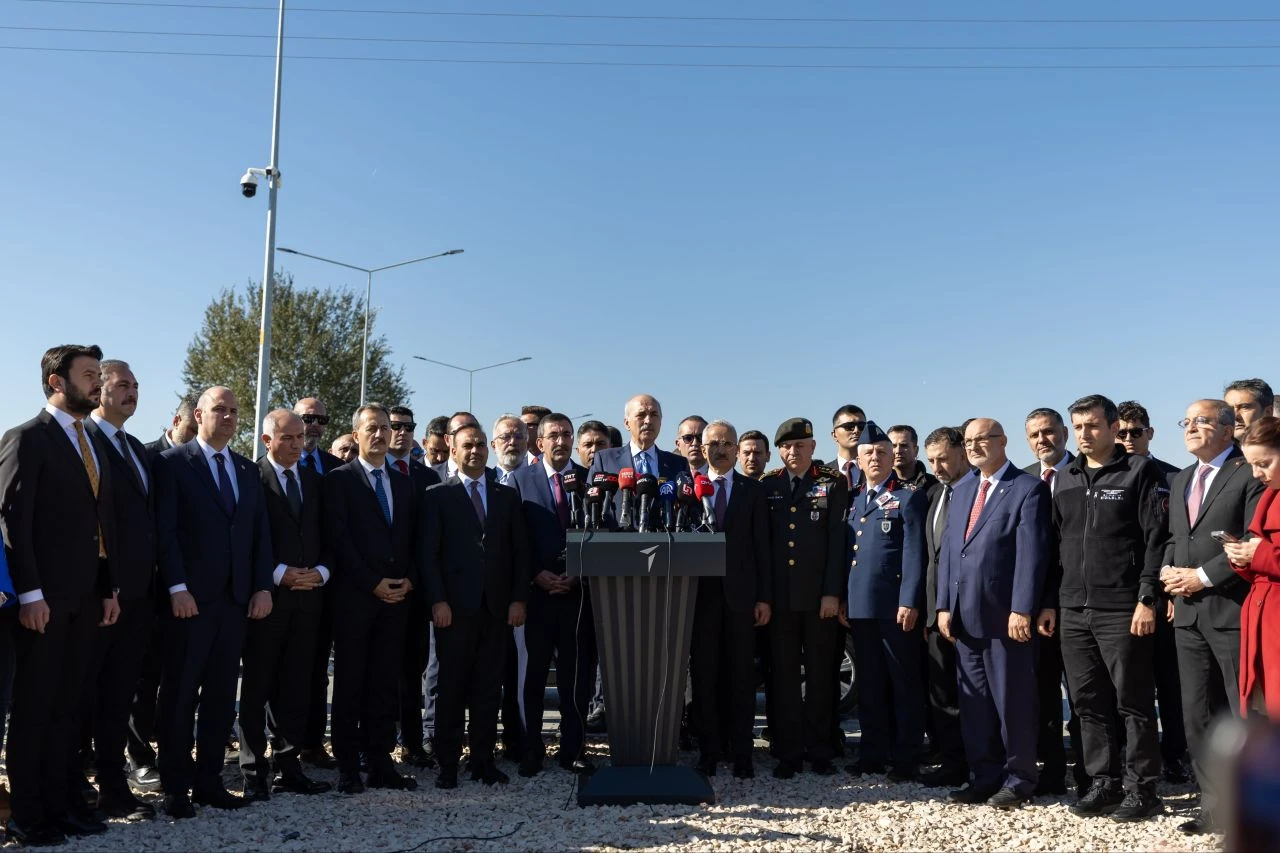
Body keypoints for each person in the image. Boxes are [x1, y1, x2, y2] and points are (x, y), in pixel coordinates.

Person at [0, 344, 119, 845]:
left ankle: (62, 806)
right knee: (35, 709)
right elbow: (12, 521)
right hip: (42, 603)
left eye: (98, 374)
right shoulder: (26, 439)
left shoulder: (89, 441)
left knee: (70, 708)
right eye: (89, 375)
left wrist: (109, 587)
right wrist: (29, 593)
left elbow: (101, 523)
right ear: (56, 382)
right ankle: (28, 817)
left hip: (87, 600)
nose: (98, 384)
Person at [153, 386, 274, 818]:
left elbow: (259, 534)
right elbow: (164, 534)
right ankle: (175, 786)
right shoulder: (171, 464)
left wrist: (262, 586)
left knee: (223, 697)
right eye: (219, 409)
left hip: (236, 601)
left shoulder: (245, 469)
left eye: (234, 411)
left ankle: (209, 783)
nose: (227, 416)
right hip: (190, 601)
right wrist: (176, 587)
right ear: (198, 414)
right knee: (180, 695)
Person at [1054, 394, 1169, 822]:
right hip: (1073, 608)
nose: (1084, 434)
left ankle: (1144, 789)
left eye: (1092, 426)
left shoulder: (1141, 471)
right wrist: (1053, 603)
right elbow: (1056, 546)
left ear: (1112, 427)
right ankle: (1104, 782)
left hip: (1122, 607)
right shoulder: (1065, 477)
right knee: (1087, 701)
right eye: (1078, 426)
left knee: (1133, 701)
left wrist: (1146, 598)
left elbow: (1156, 541)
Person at [1160, 399, 1262, 835]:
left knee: (1243, 716)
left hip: (1232, 610)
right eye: (1186, 422)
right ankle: (1214, 806)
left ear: (1227, 429)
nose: (1190, 428)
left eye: (1201, 421)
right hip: (1187, 615)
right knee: (1196, 713)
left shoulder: (1247, 474)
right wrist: (1167, 572)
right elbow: (1175, 537)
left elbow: (1253, 539)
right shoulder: (1181, 478)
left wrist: (1202, 577)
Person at [936, 418, 1050, 809]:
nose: (973, 446)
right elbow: (952, 552)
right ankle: (984, 776)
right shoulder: (964, 488)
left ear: (1003, 441)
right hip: (964, 618)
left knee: (1012, 702)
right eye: (968, 441)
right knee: (976, 705)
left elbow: (1032, 556)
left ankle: (1019, 779)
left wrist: (1022, 608)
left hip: (1006, 619)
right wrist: (943, 606)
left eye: (982, 439)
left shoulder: (1027, 489)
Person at [420, 424, 531, 789]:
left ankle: (483, 761)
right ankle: (448, 764)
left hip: (496, 609)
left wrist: (517, 599)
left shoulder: (506, 496)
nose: (476, 451)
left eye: (482, 445)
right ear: (452, 450)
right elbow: (429, 557)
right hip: (453, 609)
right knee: (451, 690)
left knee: (488, 690)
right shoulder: (437, 495)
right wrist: (437, 600)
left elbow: (519, 553)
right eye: (468, 445)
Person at [323, 403, 419, 794]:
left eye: (385, 427)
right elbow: (339, 541)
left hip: (397, 600)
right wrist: (372, 582)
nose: (380, 434)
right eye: (371, 429)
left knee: (384, 685)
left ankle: (381, 763)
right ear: (357, 435)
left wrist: (409, 579)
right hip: (356, 601)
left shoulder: (404, 482)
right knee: (350, 685)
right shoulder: (338, 481)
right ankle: (348, 766)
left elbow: (415, 537)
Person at [237, 410, 332, 801]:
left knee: (295, 687)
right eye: (287, 438)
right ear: (266, 440)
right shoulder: (250, 477)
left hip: (309, 599)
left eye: (299, 437)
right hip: (267, 600)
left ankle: (289, 767)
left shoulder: (313, 479)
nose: (296, 444)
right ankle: (252, 770)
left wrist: (322, 571)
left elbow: (327, 533)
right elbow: (246, 540)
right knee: (258, 688)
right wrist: (278, 574)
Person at [83, 359, 157, 821]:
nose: (132, 391)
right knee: (83, 697)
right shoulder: (83, 442)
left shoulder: (133, 446)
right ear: (98, 391)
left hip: (139, 595)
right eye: (122, 384)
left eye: (136, 385)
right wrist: (102, 584)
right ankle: (77, 787)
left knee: (119, 697)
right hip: (97, 596)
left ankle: (113, 788)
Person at [761, 417, 849, 779]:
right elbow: (763, 549)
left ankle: (821, 750)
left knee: (821, 677)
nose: (793, 452)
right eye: (786, 446)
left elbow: (838, 541)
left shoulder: (832, 483)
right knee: (782, 677)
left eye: (800, 445)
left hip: (818, 601)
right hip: (780, 601)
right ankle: (787, 751)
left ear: (813, 448)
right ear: (779, 451)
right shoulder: (769, 485)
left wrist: (832, 592)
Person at [840, 422, 928, 782]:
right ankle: (872, 753)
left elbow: (913, 553)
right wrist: (845, 600)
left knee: (903, 683)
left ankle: (906, 756)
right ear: (857, 459)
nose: (874, 457)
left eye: (881, 452)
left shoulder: (908, 497)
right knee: (871, 686)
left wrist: (910, 600)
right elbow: (850, 555)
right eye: (868, 453)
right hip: (861, 609)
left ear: (893, 457)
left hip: (895, 608)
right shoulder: (854, 500)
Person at [511, 414, 595, 777]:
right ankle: (531, 748)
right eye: (553, 436)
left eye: (566, 435)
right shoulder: (519, 480)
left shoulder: (590, 480)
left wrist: (580, 572)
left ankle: (573, 749)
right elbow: (513, 539)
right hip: (537, 596)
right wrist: (534, 575)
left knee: (576, 680)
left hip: (578, 596)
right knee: (531, 678)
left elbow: (602, 529)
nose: (560, 441)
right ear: (538, 442)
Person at [690, 420, 771, 779]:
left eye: (726, 443)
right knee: (704, 677)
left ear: (737, 449)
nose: (719, 449)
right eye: (712, 443)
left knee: (741, 677)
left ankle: (742, 752)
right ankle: (708, 751)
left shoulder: (753, 491)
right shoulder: (686, 487)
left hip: (741, 598)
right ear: (701, 448)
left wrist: (764, 598)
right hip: (699, 598)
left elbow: (762, 548)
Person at [1115, 400, 1187, 783]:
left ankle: (1174, 753)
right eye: (1121, 432)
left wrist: (1170, 591)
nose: (1128, 439)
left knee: (1169, 680)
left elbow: (1176, 539)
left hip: (1162, 594)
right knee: (1125, 683)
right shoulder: (1106, 477)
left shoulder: (1174, 478)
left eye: (1135, 432)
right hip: (1116, 596)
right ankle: (1128, 754)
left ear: (1150, 433)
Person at [1021, 406, 1081, 797]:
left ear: (1064, 432)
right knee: (1042, 696)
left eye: (1049, 432)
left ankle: (1092, 774)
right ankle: (1052, 771)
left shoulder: (1084, 474)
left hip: (1078, 601)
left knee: (1083, 697)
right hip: (1033, 605)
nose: (1043, 440)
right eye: (1035, 435)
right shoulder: (1023, 481)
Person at [918, 426, 971, 789]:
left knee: (977, 695)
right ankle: (953, 763)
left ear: (963, 454)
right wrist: (930, 610)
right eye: (932, 459)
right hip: (938, 613)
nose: (936, 466)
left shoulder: (980, 492)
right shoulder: (936, 494)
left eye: (943, 459)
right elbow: (931, 558)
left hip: (971, 610)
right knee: (943, 693)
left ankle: (982, 761)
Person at [1223, 415, 1280, 718]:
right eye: (1252, 466)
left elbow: (1267, 555)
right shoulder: (1270, 495)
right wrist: (1242, 556)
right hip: (1261, 614)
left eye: (1265, 463)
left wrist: (1258, 555)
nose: (1257, 473)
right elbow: (1260, 562)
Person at [587, 395, 687, 521]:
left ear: (660, 422)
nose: (648, 421)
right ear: (627, 423)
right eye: (641, 415)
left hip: (665, 538)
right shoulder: (605, 460)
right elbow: (590, 503)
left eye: (654, 415)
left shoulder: (678, 463)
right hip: (616, 538)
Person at [293, 397, 344, 475]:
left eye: (321, 419)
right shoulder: (280, 461)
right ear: (293, 420)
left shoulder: (338, 466)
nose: (316, 424)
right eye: (308, 418)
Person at [888, 424, 940, 491]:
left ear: (916, 450)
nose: (898, 451)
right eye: (893, 446)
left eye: (904, 446)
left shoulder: (935, 485)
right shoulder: (879, 483)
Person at [830, 405, 867, 490]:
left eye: (861, 426)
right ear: (834, 435)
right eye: (849, 426)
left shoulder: (876, 471)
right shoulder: (822, 474)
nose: (856, 430)